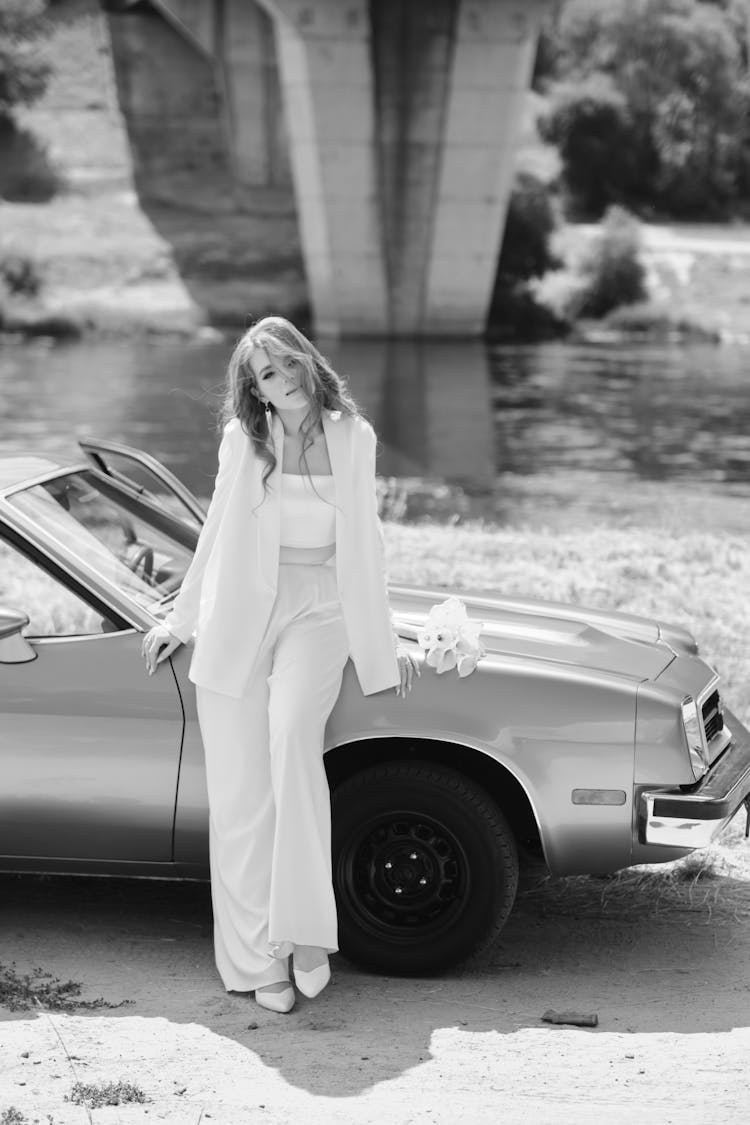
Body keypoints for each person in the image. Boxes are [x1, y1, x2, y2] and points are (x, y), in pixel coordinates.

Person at [141, 316, 418, 1014]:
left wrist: (383, 639)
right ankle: (255, 960)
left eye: (289, 363)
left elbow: (368, 542)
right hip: (242, 615)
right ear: (254, 389)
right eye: (268, 373)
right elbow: (214, 528)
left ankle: (306, 935)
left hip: (319, 607)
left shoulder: (353, 436)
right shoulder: (243, 439)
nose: (285, 379)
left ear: (307, 362)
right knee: (240, 795)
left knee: (293, 739)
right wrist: (179, 617)